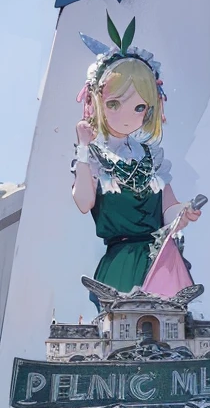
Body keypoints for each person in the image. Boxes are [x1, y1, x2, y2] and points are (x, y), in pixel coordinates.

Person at [72, 25, 202, 302]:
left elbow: (168, 210)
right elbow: (84, 202)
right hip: (120, 264)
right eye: (115, 104)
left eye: (139, 107)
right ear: (96, 102)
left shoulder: (151, 156)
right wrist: (83, 148)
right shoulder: (93, 155)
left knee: (169, 335)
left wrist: (184, 213)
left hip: (162, 263)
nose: (128, 116)